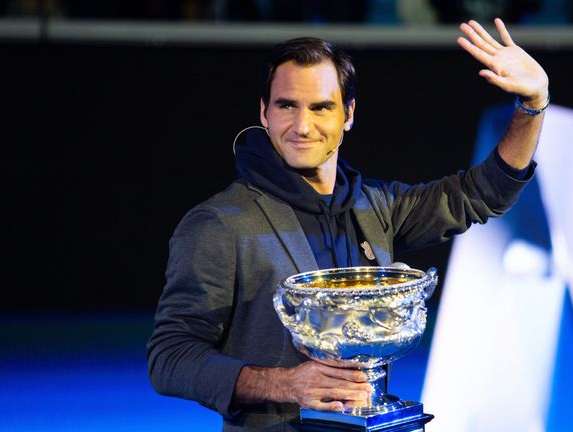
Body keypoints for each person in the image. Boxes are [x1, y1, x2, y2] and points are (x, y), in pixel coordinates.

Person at [147, 18, 549, 432]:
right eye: (287, 105)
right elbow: (170, 357)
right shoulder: (219, 224)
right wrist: (285, 385)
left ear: (348, 114)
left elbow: (483, 193)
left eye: (321, 107)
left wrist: (532, 105)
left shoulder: (377, 207)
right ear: (264, 113)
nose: (302, 126)